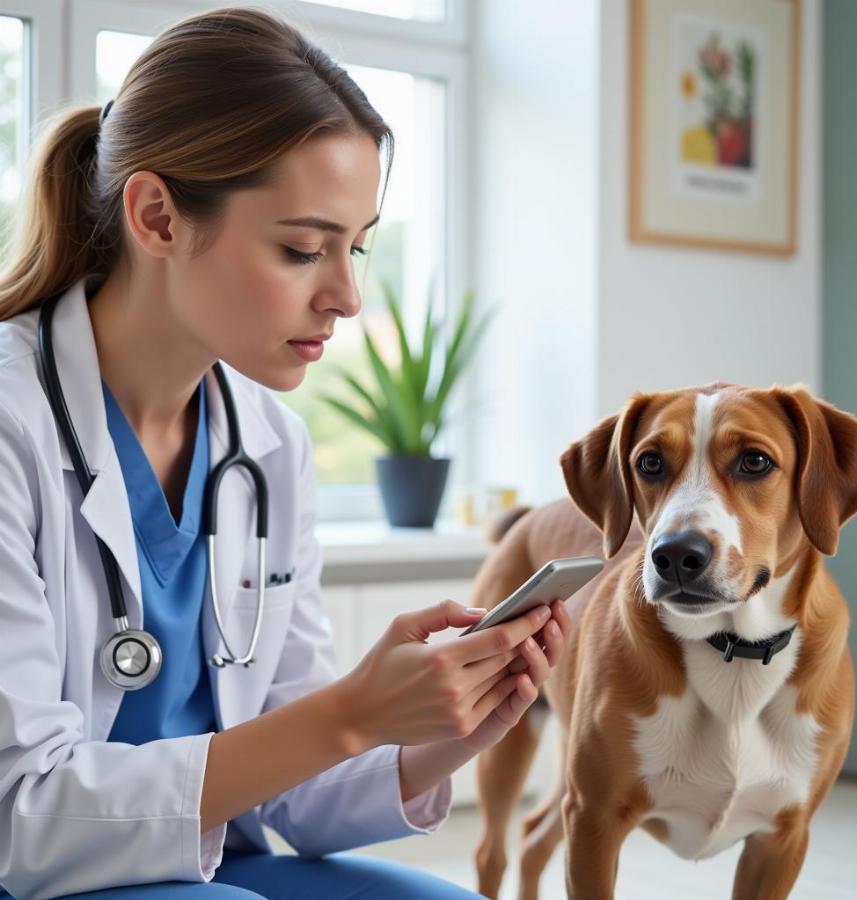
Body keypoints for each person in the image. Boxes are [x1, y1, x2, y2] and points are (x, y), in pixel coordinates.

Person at [0, 7, 571, 900]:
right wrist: (351, 713)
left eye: (357, 247)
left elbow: (294, 792)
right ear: (157, 216)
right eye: (304, 248)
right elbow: (22, 818)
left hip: (213, 860)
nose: (345, 295)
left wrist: (437, 734)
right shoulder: (12, 426)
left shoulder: (268, 447)